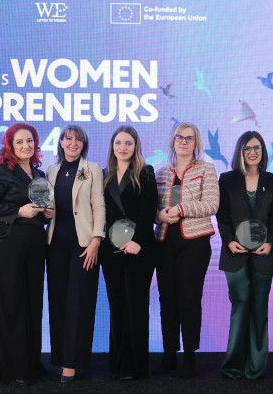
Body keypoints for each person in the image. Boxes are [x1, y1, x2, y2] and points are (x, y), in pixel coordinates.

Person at [0, 123, 53, 385]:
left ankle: (31, 363)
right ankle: (11, 367)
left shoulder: (39, 173)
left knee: (33, 302)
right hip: (7, 243)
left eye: (30, 141)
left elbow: (40, 208)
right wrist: (18, 212)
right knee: (11, 304)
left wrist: (47, 215)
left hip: (34, 243)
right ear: (10, 145)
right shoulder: (1, 171)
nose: (26, 146)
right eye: (20, 142)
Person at [154, 122, 219, 378]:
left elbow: (212, 204)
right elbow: (153, 208)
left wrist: (180, 210)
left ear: (196, 143)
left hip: (195, 243)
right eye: (179, 137)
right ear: (172, 141)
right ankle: (169, 355)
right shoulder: (161, 173)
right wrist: (159, 215)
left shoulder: (207, 169)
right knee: (166, 300)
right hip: (164, 242)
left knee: (189, 300)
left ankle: (190, 357)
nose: (183, 142)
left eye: (189, 138)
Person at [46, 125, 105, 383]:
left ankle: (72, 363)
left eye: (78, 140)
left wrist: (96, 240)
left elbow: (98, 205)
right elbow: (48, 205)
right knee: (58, 303)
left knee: (79, 303)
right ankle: (59, 359)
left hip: (84, 246)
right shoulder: (51, 170)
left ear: (83, 145)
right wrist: (45, 212)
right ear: (60, 142)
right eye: (68, 138)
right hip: (55, 245)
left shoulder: (91, 169)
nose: (73, 143)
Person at [100, 126, 158, 380]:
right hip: (110, 251)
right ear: (112, 146)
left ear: (136, 147)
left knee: (136, 306)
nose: (123, 147)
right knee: (117, 306)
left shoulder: (145, 173)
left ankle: (137, 366)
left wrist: (137, 241)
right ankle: (119, 363)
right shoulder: (103, 175)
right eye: (118, 143)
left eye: (128, 143)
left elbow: (148, 211)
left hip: (139, 250)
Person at [217, 131, 273, 380]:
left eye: (257, 148)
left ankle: (255, 367)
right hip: (235, 253)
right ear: (240, 151)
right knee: (240, 305)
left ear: (263, 152)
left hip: (264, 255)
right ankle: (234, 365)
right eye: (247, 148)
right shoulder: (227, 179)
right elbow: (223, 216)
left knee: (259, 308)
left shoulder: (272, 180)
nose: (252, 152)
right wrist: (229, 240)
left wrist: (271, 242)